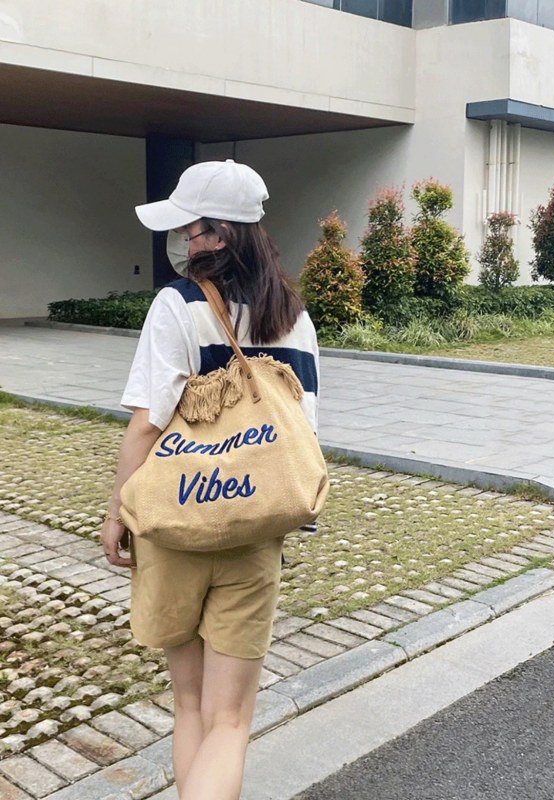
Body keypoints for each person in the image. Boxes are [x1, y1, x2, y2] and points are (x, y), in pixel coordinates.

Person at [100, 160, 319, 800]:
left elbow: (147, 424)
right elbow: (303, 432)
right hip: (253, 532)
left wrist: (116, 511)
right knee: (230, 721)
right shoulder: (295, 317)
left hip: (175, 524)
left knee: (191, 707)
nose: (179, 242)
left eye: (186, 229)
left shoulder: (179, 304)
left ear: (218, 234)